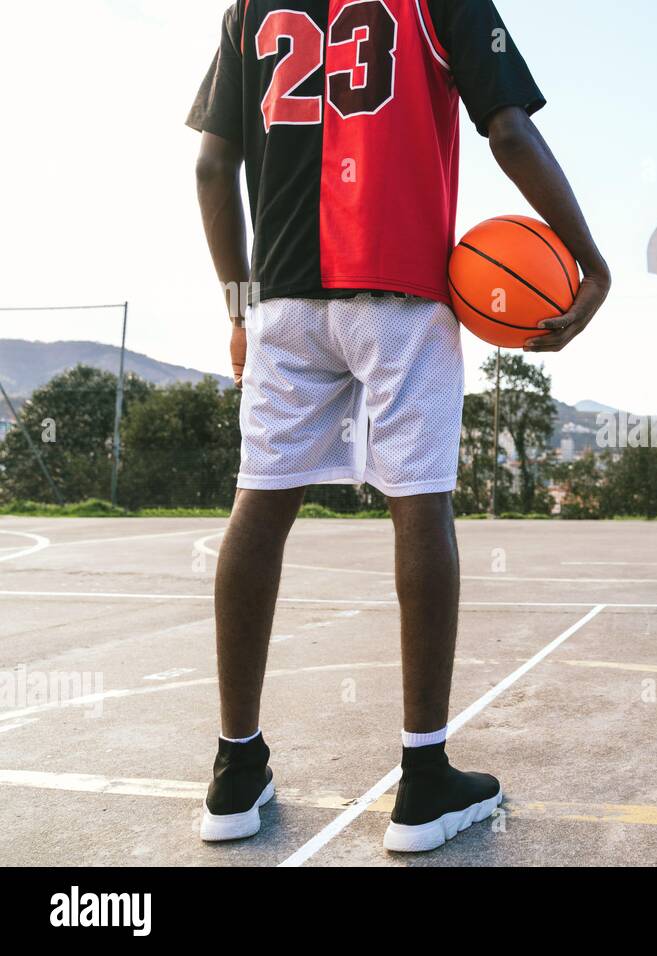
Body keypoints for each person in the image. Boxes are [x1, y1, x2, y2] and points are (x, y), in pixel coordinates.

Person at [187, 0, 609, 852]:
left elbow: (210, 165)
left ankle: (235, 773)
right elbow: (510, 132)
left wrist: (239, 304)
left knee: (259, 505)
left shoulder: (252, 8)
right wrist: (589, 262)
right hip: (403, 294)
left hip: (283, 298)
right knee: (420, 505)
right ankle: (422, 782)